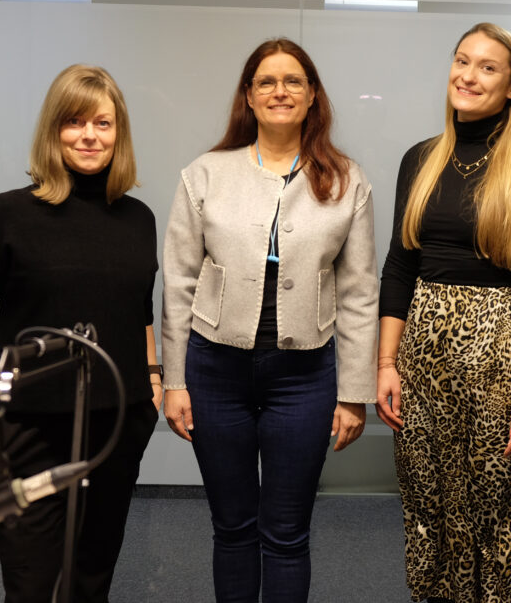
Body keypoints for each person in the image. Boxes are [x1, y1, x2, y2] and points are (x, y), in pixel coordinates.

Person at [160, 38, 378, 603]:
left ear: (312, 98)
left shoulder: (348, 179)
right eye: (267, 82)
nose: (280, 91)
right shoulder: (205, 174)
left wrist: (353, 393)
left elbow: (358, 291)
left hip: (303, 378)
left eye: (293, 81)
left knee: (285, 535)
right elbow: (179, 283)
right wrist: (175, 380)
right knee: (232, 530)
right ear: (249, 98)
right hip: (215, 372)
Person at [0, 64, 160, 602]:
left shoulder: (139, 218)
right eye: (75, 122)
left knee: (92, 578)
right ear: (53, 131)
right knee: (32, 582)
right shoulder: (7, 214)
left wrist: (151, 387)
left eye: (103, 124)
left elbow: (138, 314)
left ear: (119, 133)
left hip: (114, 429)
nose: (90, 136)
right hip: (24, 430)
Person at [377, 22, 511, 603]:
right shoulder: (420, 160)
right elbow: (398, 266)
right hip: (421, 362)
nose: (468, 75)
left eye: (488, 67)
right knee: (428, 507)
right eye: (462, 61)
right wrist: (386, 364)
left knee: (497, 510)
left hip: (500, 363)